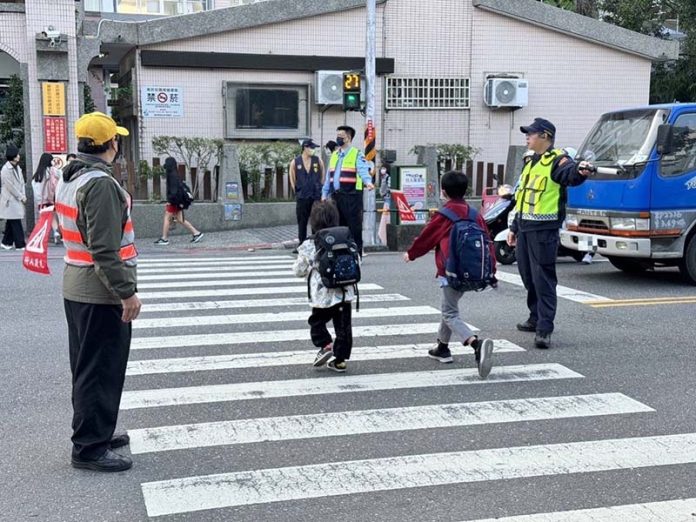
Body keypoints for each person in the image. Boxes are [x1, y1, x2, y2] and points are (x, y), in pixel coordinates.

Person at [55, 111, 142, 472]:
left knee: (88, 366)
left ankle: (97, 431)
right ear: (111, 145)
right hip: (99, 292)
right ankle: (89, 447)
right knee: (100, 369)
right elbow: (104, 250)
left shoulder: (70, 176)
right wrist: (126, 293)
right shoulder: (101, 184)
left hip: (77, 287)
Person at [507, 118, 592, 349]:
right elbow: (522, 196)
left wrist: (581, 171)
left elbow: (570, 174)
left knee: (543, 278)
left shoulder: (557, 160)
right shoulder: (530, 160)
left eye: (531, 133)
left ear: (545, 136)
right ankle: (535, 317)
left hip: (544, 230)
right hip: (525, 227)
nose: (527, 137)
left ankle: (544, 328)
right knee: (527, 275)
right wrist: (514, 228)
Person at [403, 170, 496, 379]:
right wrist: (492, 271)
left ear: (443, 192)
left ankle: (475, 344)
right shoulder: (474, 214)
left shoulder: (445, 215)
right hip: (473, 272)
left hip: (451, 271)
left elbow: (427, 237)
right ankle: (442, 348)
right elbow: (488, 242)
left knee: (450, 313)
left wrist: (411, 253)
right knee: (448, 308)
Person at [293, 200, 355, 373]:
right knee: (343, 328)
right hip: (344, 293)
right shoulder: (345, 238)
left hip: (322, 296)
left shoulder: (310, 244)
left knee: (316, 322)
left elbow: (299, 269)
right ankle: (340, 360)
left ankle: (325, 343)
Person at [321, 126, 374, 255]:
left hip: (352, 197)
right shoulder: (334, 155)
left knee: (354, 228)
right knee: (338, 228)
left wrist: (368, 182)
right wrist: (324, 194)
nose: (338, 138)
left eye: (341, 136)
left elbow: (362, 170)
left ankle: (357, 255)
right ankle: (341, 255)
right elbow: (329, 177)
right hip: (336, 197)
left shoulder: (356, 154)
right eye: (337, 135)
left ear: (348, 138)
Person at [154, 157, 204, 245]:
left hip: (173, 202)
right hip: (177, 202)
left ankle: (164, 238)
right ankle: (196, 233)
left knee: (167, 218)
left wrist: (170, 201)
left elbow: (173, 192)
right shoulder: (175, 174)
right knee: (180, 219)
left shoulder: (172, 176)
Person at [289, 139, 324, 253]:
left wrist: (319, 189)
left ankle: (316, 244)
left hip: (315, 196)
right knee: (302, 222)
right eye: (311, 148)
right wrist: (298, 191)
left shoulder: (318, 161)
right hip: (302, 197)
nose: (313, 150)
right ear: (305, 147)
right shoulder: (295, 162)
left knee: (316, 221)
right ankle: (302, 244)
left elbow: (322, 176)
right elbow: (292, 178)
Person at [0, 144, 27, 250]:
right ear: (13, 156)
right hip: (10, 200)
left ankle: (6, 243)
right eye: (17, 155)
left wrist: (23, 194)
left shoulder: (18, 167)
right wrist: (21, 196)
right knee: (16, 221)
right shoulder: (5, 170)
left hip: (16, 198)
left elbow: (21, 183)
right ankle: (20, 244)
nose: (19, 156)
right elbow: (10, 186)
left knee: (12, 221)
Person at [31, 152, 61, 243]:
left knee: (44, 219)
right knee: (53, 216)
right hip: (53, 198)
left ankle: (42, 237)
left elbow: (36, 189)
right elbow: (62, 180)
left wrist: (39, 200)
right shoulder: (54, 171)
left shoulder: (38, 173)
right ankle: (56, 232)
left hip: (43, 201)